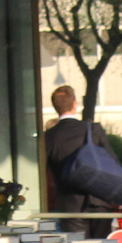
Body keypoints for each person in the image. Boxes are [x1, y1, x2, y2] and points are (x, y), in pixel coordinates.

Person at [40, 85, 89, 213]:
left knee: (75, 234)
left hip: (69, 202)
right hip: (98, 199)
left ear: (55, 107)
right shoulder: (93, 129)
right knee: (101, 234)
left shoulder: (49, 136)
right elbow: (112, 161)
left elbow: (42, 170)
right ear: (75, 104)